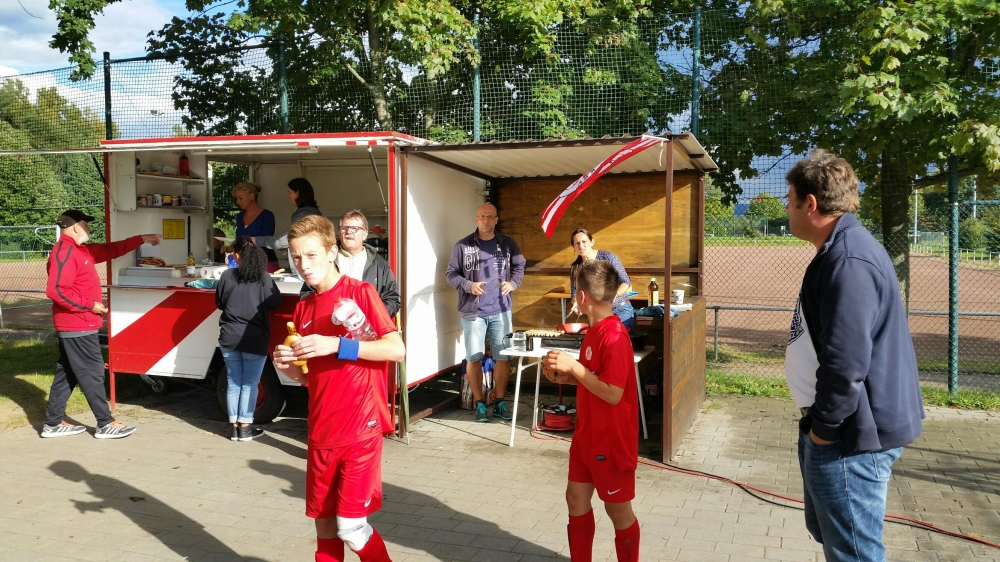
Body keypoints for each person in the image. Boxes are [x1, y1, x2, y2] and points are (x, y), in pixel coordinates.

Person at [783, 149, 924, 561]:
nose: (786, 209)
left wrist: (824, 431)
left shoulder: (848, 260)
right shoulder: (839, 250)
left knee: (855, 554)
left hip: (849, 437)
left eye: (789, 200)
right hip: (837, 429)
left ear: (810, 203)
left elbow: (846, 362)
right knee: (838, 543)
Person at [271, 215, 404, 562]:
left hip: (360, 429)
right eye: (296, 257)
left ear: (332, 252)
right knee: (325, 527)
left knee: (351, 528)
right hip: (321, 432)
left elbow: (395, 349)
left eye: (311, 255)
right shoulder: (303, 307)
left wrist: (337, 344)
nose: (303, 265)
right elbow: (310, 378)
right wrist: (287, 366)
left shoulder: (360, 293)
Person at [542, 259, 640, 562]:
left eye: (575, 291)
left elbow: (613, 393)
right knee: (575, 499)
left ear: (582, 296)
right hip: (586, 436)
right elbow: (594, 378)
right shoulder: (593, 331)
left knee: (618, 511)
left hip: (611, 441)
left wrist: (574, 368)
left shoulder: (615, 336)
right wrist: (567, 376)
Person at [42, 209, 161, 439]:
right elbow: (56, 290)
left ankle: (53, 423)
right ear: (75, 227)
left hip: (79, 324)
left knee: (68, 372)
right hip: (77, 325)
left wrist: (141, 239)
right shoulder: (65, 251)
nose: (88, 228)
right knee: (93, 372)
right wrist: (89, 305)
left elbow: (109, 250)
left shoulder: (81, 250)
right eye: (86, 224)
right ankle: (105, 423)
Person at [445, 203, 525, 423]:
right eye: (482, 216)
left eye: (490, 217)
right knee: (474, 357)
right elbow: (451, 273)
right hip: (473, 312)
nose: (486, 220)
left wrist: (513, 283)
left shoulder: (507, 244)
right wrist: (468, 285)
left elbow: (520, 266)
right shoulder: (463, 245)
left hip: (501, 310)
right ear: (476, 219)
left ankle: (499, 402)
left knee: (503, 357)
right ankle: (479, 403)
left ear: (496, 219)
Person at [215, 237, 282, 442]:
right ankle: (245, 428)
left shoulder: (226, 276)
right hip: (255, 338)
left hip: (229, 337)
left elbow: (219, 303)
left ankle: (235, 429)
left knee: (234, 382)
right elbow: (275, 302)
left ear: (236, 255)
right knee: (250, 384)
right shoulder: (263, 277)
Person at [254, 177, 323, 278]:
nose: (289, 196)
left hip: (304, 269)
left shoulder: (303, 214)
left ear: (297, 193)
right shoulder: (309, 212)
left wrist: (257, 240)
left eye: (290, 193)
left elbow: (287, 238)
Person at [337, 210, 400, 317]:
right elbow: (310, 293)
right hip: (332, 323)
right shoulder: (327, 260)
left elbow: (392, 300)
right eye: (344, 228)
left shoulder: (379, 265)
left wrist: (373, 315)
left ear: (365, 234)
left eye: (355, 228)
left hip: (368, 324)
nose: (348, 232)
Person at [568, 228, 635, 330]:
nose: (581, 246)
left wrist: (614, 296)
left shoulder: (608, 258)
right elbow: (574, 293)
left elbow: (625, 282)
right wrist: (576, 303)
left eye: (584, 241)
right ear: (573, 247)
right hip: (595, 315)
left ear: (592, 242)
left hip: (620, 311)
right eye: (577, 243)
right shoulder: (575, 267)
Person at [233, 181, 279, 272]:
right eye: (237, 198)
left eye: (240, 198)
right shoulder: (239, 217)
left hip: (265, 263)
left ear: (252, 197)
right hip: (245, 264)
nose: (237, 202)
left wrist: (249, 242)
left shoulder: (267, 216)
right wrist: (232, 247)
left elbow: (267, 240)